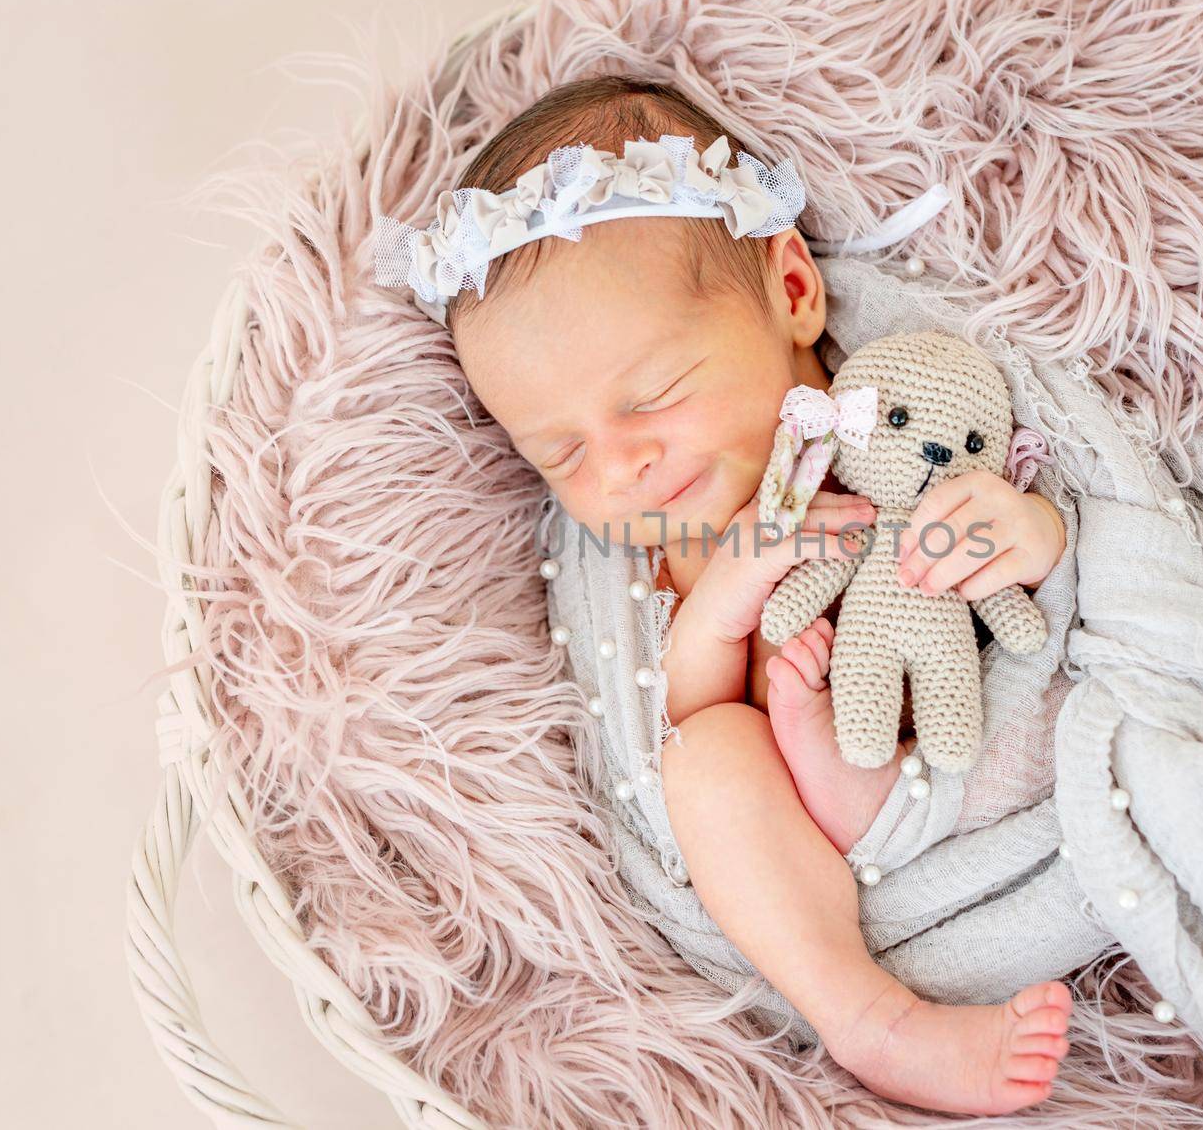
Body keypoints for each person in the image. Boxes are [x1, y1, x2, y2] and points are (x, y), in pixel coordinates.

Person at [375, 74, 1070, 1116]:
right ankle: (873, 1020)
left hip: (987, 766)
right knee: (705, 766)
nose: (622, 470)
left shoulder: (880, 402)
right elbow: (689, 707)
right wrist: (725, 598)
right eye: (558, 453)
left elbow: (1036, 495)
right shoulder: (671, 547)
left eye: (652, 397)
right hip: (811, 855)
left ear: (792, 293)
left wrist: (1030, 531)